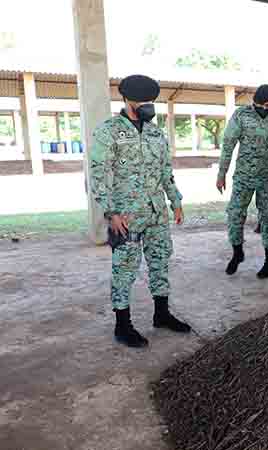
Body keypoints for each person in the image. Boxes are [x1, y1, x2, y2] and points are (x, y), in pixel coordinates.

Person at [90, 74, 191, 348]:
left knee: (160, 261)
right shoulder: (109, 131)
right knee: (125, 269)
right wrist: (111, 212)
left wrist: (175, 201)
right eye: (142, 100)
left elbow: (166, 171)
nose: (148, 105)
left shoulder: (156, 133)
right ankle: (122, 325)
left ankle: (162, 314)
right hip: (126, 216)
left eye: (150, 100)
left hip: (157, 212)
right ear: (127, 99)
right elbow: (98, 175)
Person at [216, 84, 268, 278]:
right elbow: (228, 144)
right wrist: (222, 173)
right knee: (235, 214)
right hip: (243, 177)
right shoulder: (241, 115)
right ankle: (237, 252)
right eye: (267, 101)